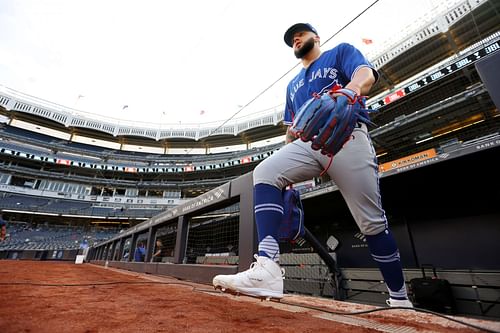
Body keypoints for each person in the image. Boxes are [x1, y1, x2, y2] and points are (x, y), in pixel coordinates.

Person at [213, 23, 413, 307]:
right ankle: (268, 268)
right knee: (266, 172)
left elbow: (365, 74)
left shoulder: (339, 52)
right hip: (308, 145)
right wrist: (288, 160)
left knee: (371, 222)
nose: (295, 39)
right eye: (291, 38)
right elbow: (292, 128)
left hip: (348, 136)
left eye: (301, 33)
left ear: (316, 37)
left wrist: (351, 89)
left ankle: (400, 298)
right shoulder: (292, 85)